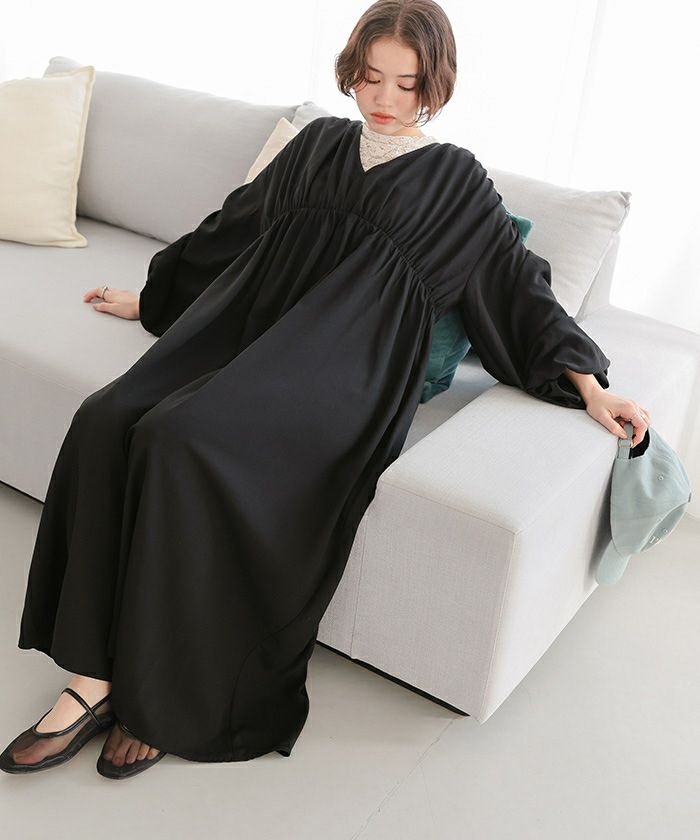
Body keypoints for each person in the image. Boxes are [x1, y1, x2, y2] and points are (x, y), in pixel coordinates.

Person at [1, 0, 650, 779]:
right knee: (108, 416)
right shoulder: (316, 144)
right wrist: (153, 298)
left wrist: (590, 386)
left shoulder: (458, 182)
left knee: (184, 441)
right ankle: (92, 677)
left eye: (406, 84)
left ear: (434, 86)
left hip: (348, 374)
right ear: (351, 70)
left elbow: (520, 294)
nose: (384, 98)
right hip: (247, 331)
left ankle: (166, 694)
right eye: (371, 77)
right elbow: (235, 229)